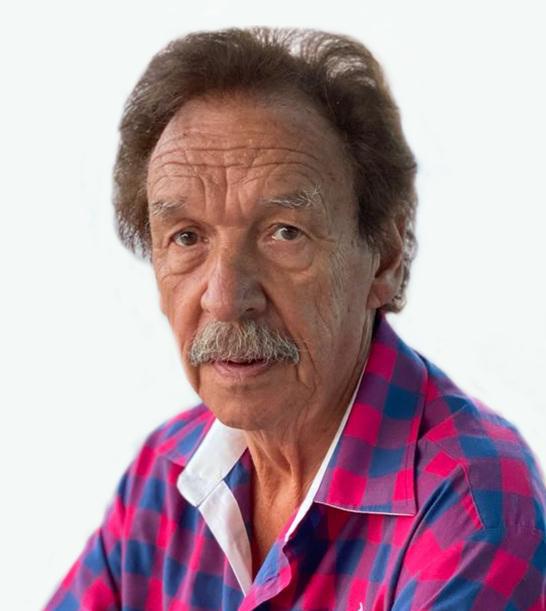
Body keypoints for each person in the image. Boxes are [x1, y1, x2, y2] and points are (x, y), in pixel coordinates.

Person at [46, 27, 546, 610]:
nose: (225, 299)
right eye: (186, 237)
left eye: (284, 233)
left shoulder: (474, 511)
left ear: (385, 257)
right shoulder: (162, 477)